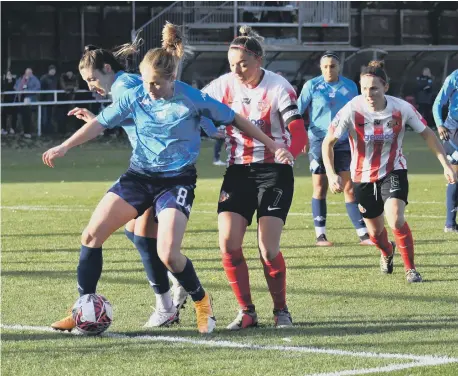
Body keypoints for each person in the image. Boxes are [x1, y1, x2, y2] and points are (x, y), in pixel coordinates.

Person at [43, 22, 293, 334]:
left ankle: (202, 303)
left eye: (157, 84)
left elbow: (237, 119)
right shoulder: (135, 94)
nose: (150, 89)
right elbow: (100, 125)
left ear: (172, 78)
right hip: (138, 177)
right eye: (146, 83)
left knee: (168, 254)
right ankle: (82, 308)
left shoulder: (192, 98)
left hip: (176, 182)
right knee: (91, 236)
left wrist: (273, 145)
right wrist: (64, 146)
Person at [67, 41, 220, 328]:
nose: (91, 86)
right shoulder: (125, 86)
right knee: (137, 235)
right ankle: (167, 295)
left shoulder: (124, 87)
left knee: (143, 237)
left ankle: (171, 297)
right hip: (145, 171)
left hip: (160, 172)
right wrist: (99, 121)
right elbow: (132, 116)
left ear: (107, 69)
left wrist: (213, 129)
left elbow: (170, 108)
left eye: (92, 79)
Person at [202, 26, 308, 330]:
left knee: (267, 248)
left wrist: (290, 151)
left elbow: (297, 130)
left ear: (259, 60)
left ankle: (281, 311)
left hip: (274, 171)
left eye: (243, 64)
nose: (236, 69)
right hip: (238, 171)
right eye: (231, 63)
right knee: (228, 244)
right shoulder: (223, 85)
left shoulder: (278, 87)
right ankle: (247, 311)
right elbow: (190, 103)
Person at [322, 60, 457, 283]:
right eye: (364, 88)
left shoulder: (401, 108)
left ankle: (411, 269)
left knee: (395, 218)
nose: (368, 93)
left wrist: (445, 165)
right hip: (362, 176)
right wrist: (331, 173)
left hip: (393, 170)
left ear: (385, 87)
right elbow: (328, 142)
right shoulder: (352, 109)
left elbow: (428, 134)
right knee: (375, 234)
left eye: (374, 88)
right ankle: (386, 251)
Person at [298, 51, 373, 247]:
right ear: (320, 68)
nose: (329, 69)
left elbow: (359, 112)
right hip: (318, 140)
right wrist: (300, 137)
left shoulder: (350, 86)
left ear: (339, 67)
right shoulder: (311, 86)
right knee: (320, 186)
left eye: (333, 66)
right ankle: (320, 236)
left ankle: (363, 235)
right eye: (325, 66)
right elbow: (297, 111)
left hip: (343, 141)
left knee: (349, 187)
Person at [433, 69, 458, 233]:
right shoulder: (454, 77)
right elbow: (437, 104)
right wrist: (439, 124)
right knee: (455, 176)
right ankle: (450, 224)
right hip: (452, 131)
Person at [14, 67, 40, 138]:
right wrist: (20, 89)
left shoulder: (34, 79)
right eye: (27, 73)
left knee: (28, 116)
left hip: (30, 99)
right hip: (20, 99)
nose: (28, 74)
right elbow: (16, 87)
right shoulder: (21, 79)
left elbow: (38, 87)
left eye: (29, 73)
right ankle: (22, 131)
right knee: (21, 116)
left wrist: (29, 91)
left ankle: (28, 131)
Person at [40, 65, 58, 135]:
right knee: (44, 116)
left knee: (49, 116)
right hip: (45, 100)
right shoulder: (44, 78)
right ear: (49, 70)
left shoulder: (55, 78)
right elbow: (42, 90)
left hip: (52, 100)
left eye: (54, 70)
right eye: (52, 70)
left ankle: (49, 130)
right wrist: (42, 100)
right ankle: (43, 131)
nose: (53, 71)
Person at [1, 70, 18, 135]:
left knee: (14, 115)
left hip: (13, 100)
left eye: (10, 74)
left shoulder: (14, 81)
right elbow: (3, 89)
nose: (9, 75)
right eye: (8, 74)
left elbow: (15, 88)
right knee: (3, 114)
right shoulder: (4, 82)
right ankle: (3, 128)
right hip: (6, 100)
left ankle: (13, 128)